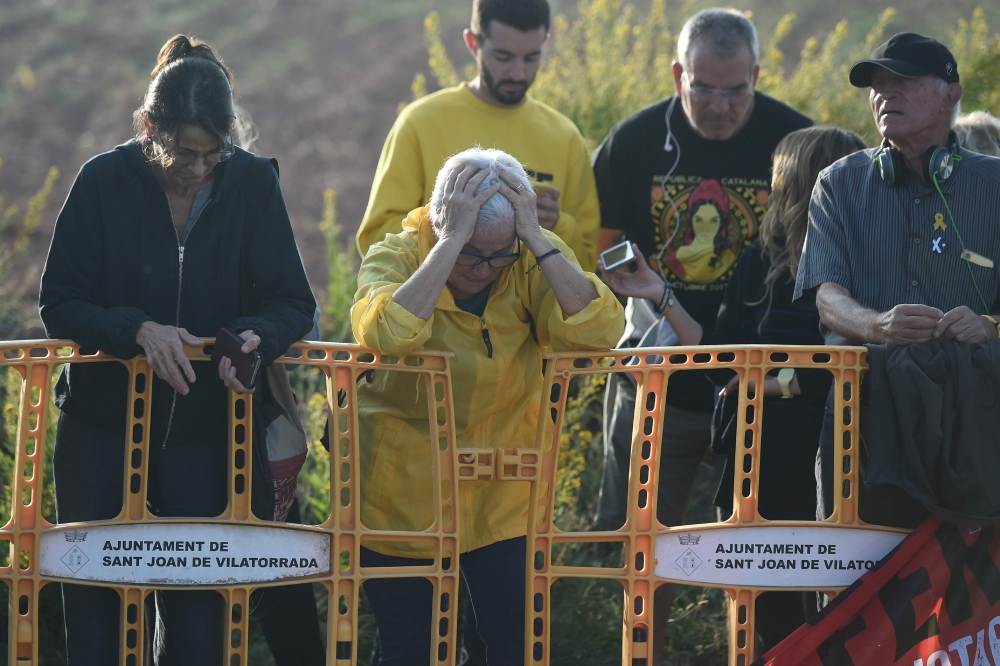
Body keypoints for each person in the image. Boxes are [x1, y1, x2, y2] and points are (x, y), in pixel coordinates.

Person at [38, 35, 321, 665]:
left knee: (200, 628)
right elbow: (59, 301)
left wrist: (256, 335)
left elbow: (293, 303)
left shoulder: (251, 182)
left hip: (208, 434)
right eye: (182, 154)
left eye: (212, 154)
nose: (198, 169)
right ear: (147, 128)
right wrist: (135, 329)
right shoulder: (101, 180)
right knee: (96, 614)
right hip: (98, 434)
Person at [591, 7, 812, 660]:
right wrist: (634, 284)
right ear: (676, 75)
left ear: (757, 76)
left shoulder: (791, 138)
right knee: (643, 549)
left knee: (755, 555)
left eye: (735, 89)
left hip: (762, 393)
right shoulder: (633, 143)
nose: (719, 106)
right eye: (703, 88)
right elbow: (604, 254)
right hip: (662, 385)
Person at [352, 147, 623, 665]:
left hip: (503, 494)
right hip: (407, 497)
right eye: (473, 255)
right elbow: (386, 332)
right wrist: (449, 245)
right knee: (411, 648)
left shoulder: (527, 254)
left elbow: (601, 331)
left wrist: (537, 239)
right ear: (440, 220)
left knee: (513, 644)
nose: (485, 270)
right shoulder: (400, 253)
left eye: (500, 256)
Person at [603, 125, 866, 652]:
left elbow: (840, 371)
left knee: (843, 617)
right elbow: (721, 359)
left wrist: (772, 385)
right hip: (761, 465)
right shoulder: (759, 262)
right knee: (767, 619)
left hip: (838, 464)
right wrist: (660, 295)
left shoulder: (865, 266)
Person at [793, 33, 1000, 527]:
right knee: (854, 579)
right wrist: (877, 325)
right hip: (861, 415)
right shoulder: (837, 183)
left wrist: (991, 324)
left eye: (903, 81)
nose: (886, 94)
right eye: (878, 85)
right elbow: (827, 297)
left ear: (951, 93)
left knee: (972, 584)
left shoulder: (996, 185)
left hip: (975, 416)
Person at [356, 0, 600, 271]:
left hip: (530, 315)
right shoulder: (420, 123)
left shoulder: (564, 137)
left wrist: (555, 225)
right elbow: (378, 241)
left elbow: (590, 261)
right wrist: (451, 223)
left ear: (545, 43)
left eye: (531, 57)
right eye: (503, 57)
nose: (518, 73)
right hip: (438, 312)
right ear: (473, 43)